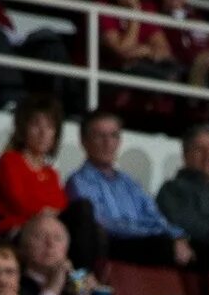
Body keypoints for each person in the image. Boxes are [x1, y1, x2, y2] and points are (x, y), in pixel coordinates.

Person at [66, 111, 190, 266]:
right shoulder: (79, 181)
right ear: (84, 141)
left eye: (114, 136)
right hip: (113, 244)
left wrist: (177, 236)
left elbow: (154, 216)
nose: (108, 143)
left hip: (145, 241)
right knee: (162, 246)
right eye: (100, 136)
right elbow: (101, 224)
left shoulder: (130, 182)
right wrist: (153, 233)